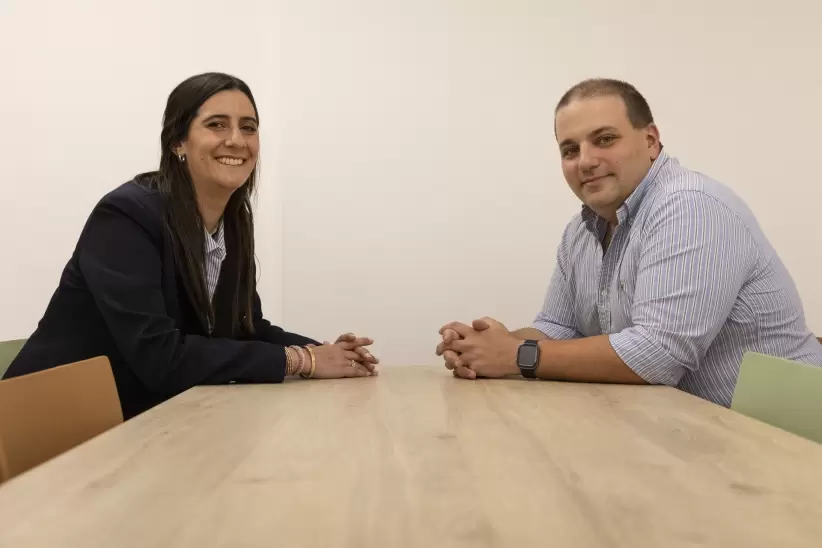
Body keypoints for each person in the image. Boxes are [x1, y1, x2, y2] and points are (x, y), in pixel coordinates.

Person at [4, 72, 378, 419]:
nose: (236, 139)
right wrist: (301, 360)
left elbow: (245, 327)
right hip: (51, 430)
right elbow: (160, 356)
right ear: (177, 142)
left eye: (248, 128)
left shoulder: (232, 219)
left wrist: (327, 353)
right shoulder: (125, 216)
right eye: (217, 124)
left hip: (146, 424)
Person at [436, 78, 822, 407]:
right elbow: (559, 327)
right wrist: (486, 346)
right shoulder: (580, 231)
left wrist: (515, 355)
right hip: (685, 434)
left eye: (604, 139)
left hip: (787, 438)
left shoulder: (689, 206)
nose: (585, 160)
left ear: (651, 141)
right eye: (570, 150)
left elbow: (658, 355)